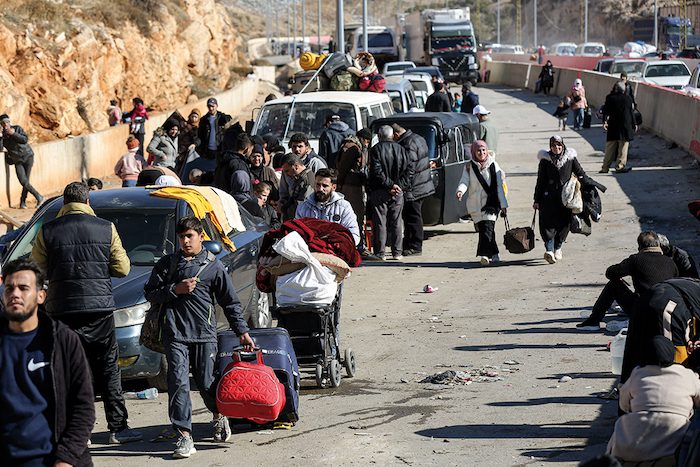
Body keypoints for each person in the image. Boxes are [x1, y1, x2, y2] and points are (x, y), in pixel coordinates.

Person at [29, 181, 142, 445]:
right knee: (107, 370)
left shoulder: (48, 231)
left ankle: (75, 432)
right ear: (87, 202)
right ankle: (118, 428)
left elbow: (36, 272)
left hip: (61, 312)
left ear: (64, 203)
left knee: (67, 371)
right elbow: (123, 268)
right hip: (99, 312)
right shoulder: (106, 228)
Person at [144, 215, 254, 458]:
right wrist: (175, 289)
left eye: (189, 236)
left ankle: (218, 415)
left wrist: (242, 332)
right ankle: (184, 435)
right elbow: (150, 293)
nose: (185, 241)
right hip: (175, 334)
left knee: (206, 383)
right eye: (181, 237)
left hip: (204, 335)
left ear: (201, 237)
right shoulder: (166, 265)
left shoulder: (214, 266)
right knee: (178, 385)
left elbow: (230, 302)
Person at [0, 258, 95, 467]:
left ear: (41, 295)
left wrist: (66, 460)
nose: (15, 294)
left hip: (54, 459)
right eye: (9, 288)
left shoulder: (63, 340)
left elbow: (84, 407)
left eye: (23, 288)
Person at [606, 336, 700, 464]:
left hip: (631, 448)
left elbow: (623, 404)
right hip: (674, 447)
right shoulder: (687, 374)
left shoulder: (638, 373)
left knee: (620, 427)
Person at [577, 231, 678, 330]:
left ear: (640, 246)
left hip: (642, 311)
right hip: (666, 311)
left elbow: (610, 272)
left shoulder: (636, 260)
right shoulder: (670, 262)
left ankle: (594, 320)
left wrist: (619, 277)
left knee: (614, 285)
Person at [533, 135, 589, 264]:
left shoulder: (570, 159)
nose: (556, 148)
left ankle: (558, 247)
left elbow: (581, 173)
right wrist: (536, 199)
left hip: (566, 198)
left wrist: (588, 186)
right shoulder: (545, 160)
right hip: (548, 197)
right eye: (553, 145)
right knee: (547, 223)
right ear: (550, 146)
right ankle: (549, 251)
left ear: (563, 146)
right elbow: (540, 181)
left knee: (564, 224)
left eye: (559, 145)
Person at [456, 140, 508, 266]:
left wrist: (503, 205)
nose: (482, 153)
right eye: (479, 151)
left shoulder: (494, 165)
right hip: (475, 204)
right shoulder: (469, 167)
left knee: (487, 228)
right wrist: (460, 191)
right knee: (485, 229)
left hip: (491, 203)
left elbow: (499, 187)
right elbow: (464, 181)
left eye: (484, 150)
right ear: (474, 151)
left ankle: (484, 254)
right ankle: (495, 253)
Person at [368, 125, 413, 261]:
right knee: (397, 221)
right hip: (397, 192)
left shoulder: (376, 150)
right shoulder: (402, 150)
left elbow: (376, 171)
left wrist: (389, 185)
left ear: (380, 136)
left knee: (380, 222)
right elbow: (410, 170)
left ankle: (380, 253)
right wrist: (398, 186)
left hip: (380, 191)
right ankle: (397, 252)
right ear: (393, 136)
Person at [393, 124, 434, 256]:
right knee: (412, 215)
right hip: (421, 183)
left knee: (413, 216)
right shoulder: (417, 138)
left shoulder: (407, 143)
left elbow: (409, 168)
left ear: (396, 134)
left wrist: (402, 185)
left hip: (414, 186)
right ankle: (410, 244)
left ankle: (415, 246)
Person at [295, 168, 361, 245]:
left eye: (325, 186)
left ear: (333, 188)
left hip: (335, 251)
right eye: (318, 185)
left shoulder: (343, 207)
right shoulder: (303, 207)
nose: (320, 189)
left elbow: (354, 235)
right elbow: (295, 232)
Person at [0, 114, 44, 209]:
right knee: (23, 181)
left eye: (7, 122)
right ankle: (38, 197)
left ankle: (23, 202)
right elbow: (0, 149)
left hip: (28, 156)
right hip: (17, 160)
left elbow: (25, 139)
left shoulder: (17, 128)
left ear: (9, 122)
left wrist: (13, 134)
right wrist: (0, 137)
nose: (5, 124)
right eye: (3, 123)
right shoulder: (3, 135)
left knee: (26, 181)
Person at [336, 135, 369, 254]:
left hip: (348, 184)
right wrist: (340, 182)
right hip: (351, 185)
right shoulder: (352, 148)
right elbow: (344, 168)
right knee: (356, 215)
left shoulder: (346, 147)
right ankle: (357, 245)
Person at [601, 80, 637, 174]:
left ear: (616, 89)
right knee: (623, 147)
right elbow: (631, 113)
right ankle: (620, 166)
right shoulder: (628, 99)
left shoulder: (610, 98)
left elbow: (605, 111)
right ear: (624, 90)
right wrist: (634, 124)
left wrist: (604, 121)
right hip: (625, 126)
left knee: (610, 147)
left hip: (613, 125)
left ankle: (605, 167)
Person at [277, 153, 316, 222]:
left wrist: (283, 209)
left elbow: (302, 208)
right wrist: (285, 203)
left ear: (296, 166)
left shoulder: (307, 180)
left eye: (287, 171)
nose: (286, 175)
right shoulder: (299, 179)